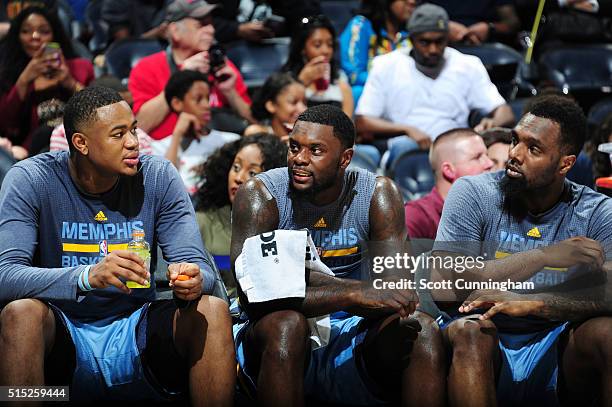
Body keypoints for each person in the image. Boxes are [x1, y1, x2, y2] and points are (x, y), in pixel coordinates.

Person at [0, 86, 235, 404]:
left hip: (138, 332)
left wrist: (192, 280)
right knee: (20, 313)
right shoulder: (32, 178)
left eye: (134, 129)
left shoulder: (157, 176)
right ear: (80, 143)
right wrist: (86, 277)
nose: (133, 143)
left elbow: (203, 270)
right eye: (118, 134)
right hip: (63, 337)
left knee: (212, 308)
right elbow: (6, 276)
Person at [230, 104, 445, 406]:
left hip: (353, 330)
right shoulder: (261, 195)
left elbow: (395, 293)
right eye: (294, 148)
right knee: (287, 324)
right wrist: (354, 293)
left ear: (345, 158)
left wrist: (301, 282)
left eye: (315, 151)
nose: (300, 160)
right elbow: (255, 296)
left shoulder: (377, 195)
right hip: (277, 331)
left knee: (421, 329)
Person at [431, 95, 612, 405]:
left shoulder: (597, 211)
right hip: (483, 336)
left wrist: (535, 303)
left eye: (534, 148)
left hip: (556, 341)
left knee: (607, 334)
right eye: (515, 140)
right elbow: (446, 284)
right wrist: (543, 256)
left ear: (565, 164)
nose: (514, 154)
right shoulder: (474, 192)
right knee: (472, 332)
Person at [355, 3, 514, 166]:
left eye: (439, 42)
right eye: (425, 42)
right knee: (404, 146)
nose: (433, 49)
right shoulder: (386, 65)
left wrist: (493, 123)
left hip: (455, 148)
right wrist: (407, 130)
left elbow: (506, 112)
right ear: (411, 39)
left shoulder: (468, 65)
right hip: (407, 146)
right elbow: (363, 121)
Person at [129, 0, 252, 141]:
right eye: (201, 25)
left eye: (211, 24)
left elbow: (253, 120)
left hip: (221, 151)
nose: (211, 30)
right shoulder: (148, 68)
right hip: (170, 155)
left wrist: (230, 93)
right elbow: (141, 126)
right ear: (175, 31)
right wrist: (180, 78)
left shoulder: (222, 66)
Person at [195, 133, 287, 298]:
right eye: (236, 167)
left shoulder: (284, 227)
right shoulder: (202, 222)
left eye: (252, 173)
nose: (238, 178)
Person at [0, 6, 93, 156]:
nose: (35, 36)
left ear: (55, 36)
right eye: (26, 31)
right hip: (32, 151)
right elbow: (7, 125)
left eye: (44, 31)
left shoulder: (81, 67)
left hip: (79, 144)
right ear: (17, 37)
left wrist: (69, 82)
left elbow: (98, 112)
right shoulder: (9, 73)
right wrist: (24, 80)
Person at [151, 69, 240, 194]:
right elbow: (164, 186)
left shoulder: (230, 141)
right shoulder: (160, 148)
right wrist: (177, 135)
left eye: (207, 98)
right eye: (198, 99)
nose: (207, 105)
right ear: (177, 103)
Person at [405, 128, 493, 240]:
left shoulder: (492, 212)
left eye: (487, 155)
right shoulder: (416, 215)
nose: (490, 163)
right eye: (477, 157)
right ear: (448, 170)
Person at [339, 0, 416, 105]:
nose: (412, 1)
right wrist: (390, 84)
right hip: (372, 93)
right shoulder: (360, 26)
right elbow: (353, 74)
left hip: (408, 94)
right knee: (357, 92)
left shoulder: (414, 32)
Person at [282, 14, 354, 117]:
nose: (326, 51)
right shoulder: (287, 78)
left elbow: (348, 126)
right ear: (302, 49)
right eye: (317, 45)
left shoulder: (340, 80)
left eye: (330, 44)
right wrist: (302, 81)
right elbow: (283, 115)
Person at [245, 72, 307, 141]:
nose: (303, 109)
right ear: (271, 106)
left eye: (304, 102)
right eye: (293, 102)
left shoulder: (310, 135)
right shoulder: (257, 133)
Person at [426, 0, 520, 45]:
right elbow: (416, 17)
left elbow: (512, 24)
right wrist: (443, 26)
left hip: (486, 47)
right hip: (442, 45)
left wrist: (489, 28)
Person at [101, 0, 171, 44]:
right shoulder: (116, 3)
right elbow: (125, 46)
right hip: (134, 60)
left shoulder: (170, 2)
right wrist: (154, 34)